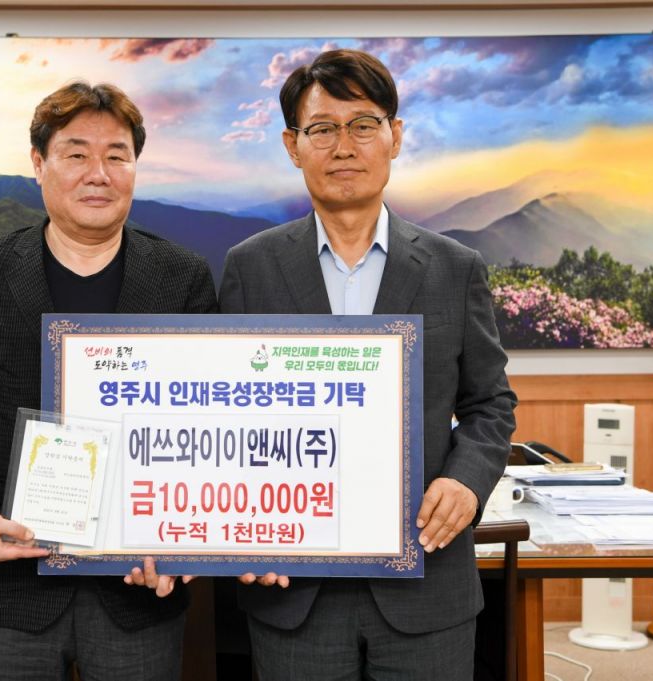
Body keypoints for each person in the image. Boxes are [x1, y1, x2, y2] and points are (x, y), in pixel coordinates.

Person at [219, 49, 517, 680]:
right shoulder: (250, 267)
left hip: (425, 580)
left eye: (362, 125)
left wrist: (466, 481)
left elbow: (490, 403)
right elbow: (226, 415)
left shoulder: (455, 268)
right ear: (293, 146)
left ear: (395, 136)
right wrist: (238, 529)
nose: (344, 146)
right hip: (291, 586)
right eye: (322, 129)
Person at [0, 80, 217, 681]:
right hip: (13, 589)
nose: (98, 174)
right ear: (39, 163)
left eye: (117, 156)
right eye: (76, 154)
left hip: (139, 590)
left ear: (135, 167)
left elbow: (211, 424)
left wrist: (188, 540)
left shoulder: (182, 278)